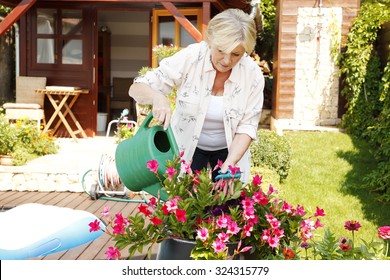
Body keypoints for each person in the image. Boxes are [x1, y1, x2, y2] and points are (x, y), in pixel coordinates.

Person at [129, 8, 264, 183]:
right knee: (185, 204)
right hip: (187, 148)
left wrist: (229, 166)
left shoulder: (252, 74)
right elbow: (136, 88)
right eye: (221, 50)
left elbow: (247, 126)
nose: (226, 61)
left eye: (236, 54)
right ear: (210, 41)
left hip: (231, 150)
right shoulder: (192, 58)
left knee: (227, 204)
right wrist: (156, 97)